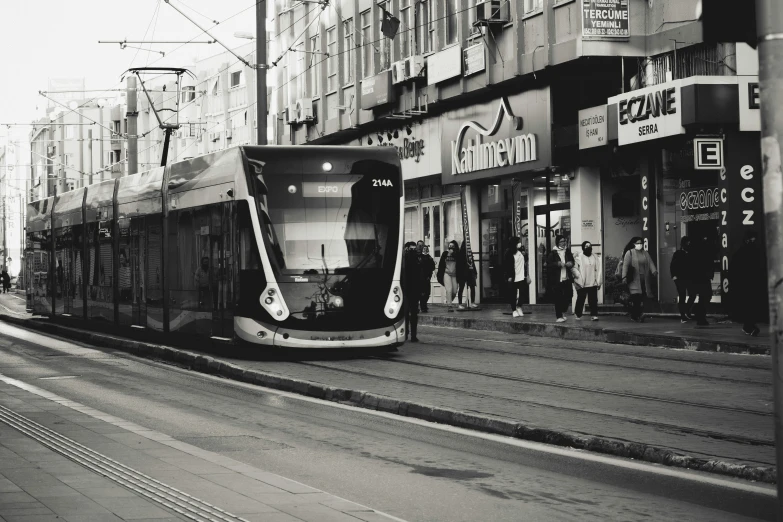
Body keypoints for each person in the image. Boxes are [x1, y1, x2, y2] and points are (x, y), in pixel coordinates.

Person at [731, 229, 764, 336]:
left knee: (748, 305)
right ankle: (749, 326)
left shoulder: (741, 252)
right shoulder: (756, 251)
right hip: (750, 284)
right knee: (750, 305)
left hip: (746, 284)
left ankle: (748, 326)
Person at [622, 237, 658, 322]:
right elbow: (625, 266)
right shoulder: (630, 253)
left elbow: (650, 262)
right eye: (638, 243)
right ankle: (638, 315)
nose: (640, 245)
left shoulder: (645, 253)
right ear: (634, 244)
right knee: (636, 297)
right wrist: (624, 277)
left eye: (641, 243)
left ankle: (636, 315)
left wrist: (654, 271)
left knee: (641, 298)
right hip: (633, 279)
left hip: (644, 280)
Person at [547, 235, 576, 323]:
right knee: (558, 297)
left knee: (569, 295)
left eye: (564, 241)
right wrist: (558, 264)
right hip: (557, 279)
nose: (563, 243)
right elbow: (549, 264)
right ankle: (559, 316)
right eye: (561, 241)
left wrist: (571, 263)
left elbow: (572, 261)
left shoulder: (567, 251)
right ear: (557, 242)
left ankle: (563, 311)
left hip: (567, 278)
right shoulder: (553, 253)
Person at [689, 236, 714, 327]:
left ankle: (699, 314)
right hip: (702, 277)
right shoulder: (703, 251)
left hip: (699, 277)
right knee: (706, 296)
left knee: (704, 296)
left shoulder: (695, 250)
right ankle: (699, 314)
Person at [574, 241, 602, 321]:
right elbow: (575, 269)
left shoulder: (595, 257)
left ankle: (594, 315)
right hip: (582, 282)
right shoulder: (579, 257)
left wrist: (598, 281)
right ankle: (578, 314)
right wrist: (577, 280)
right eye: (586, 246)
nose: (588, 247)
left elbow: (598, 270)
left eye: (590, 246)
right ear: (583, 248)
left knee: (593, 300)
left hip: (593, 282)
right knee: (581, 298)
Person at [503, 236, 530, 317]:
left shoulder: (520, 251)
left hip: (522, 275)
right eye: (518, 242)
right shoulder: (508, 253)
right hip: (514, 276)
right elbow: (506, 265)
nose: (520, 243)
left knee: (523, 293)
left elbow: (525, 262)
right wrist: (509, 276)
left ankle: (519, 306)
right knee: (513, 293)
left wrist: (525, 255)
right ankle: (514, 309)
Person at [670, 236, 694, 323]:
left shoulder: (690, 253)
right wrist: (674, 276)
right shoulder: (678, 253)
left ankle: (686, 311)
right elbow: (673, 265)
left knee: (692, 294)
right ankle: (683, 315)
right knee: (683, 295)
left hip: (688, 278)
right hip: (680, 278)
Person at [402, 241, 421, 342]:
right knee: (406, 313)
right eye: (411, 249)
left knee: (413, 313)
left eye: (414, 249)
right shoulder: (403, 260)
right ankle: (406, 333)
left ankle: (413, 334)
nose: (413, 251)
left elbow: (420, 275)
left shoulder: (418, 259)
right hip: (405, 290)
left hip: (414, 290)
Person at [437, 240, 460, 312]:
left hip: (455, 274)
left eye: (452, 246)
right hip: (446, 274)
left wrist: (454, 254)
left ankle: (448, 301)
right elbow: (441, 264)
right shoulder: (445, 254)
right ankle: (450, 305)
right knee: (449, 289)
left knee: (454, 291)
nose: (451, 248)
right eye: (450, 246)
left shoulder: (457, 254)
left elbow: (460, 263)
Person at [457, 241, 479, 310]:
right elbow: (458, 265)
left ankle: (472, 302)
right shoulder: (461, 253)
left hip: (469, 271)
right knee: (462, 287)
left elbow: (472, 262)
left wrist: (474, 272)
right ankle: (460, 303)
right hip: (463, 272)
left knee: (472, 286)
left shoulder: (469, 252)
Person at [417, 241, 435, 313]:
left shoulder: (428, 257)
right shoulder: (417, 256)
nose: (421, 247)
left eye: (422, 246)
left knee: (427, 293)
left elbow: (432, 266)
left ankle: (423, 306)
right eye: (419, 245)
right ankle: (422, 306)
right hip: (418, 278)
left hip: (426, 278)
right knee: (420, 293)